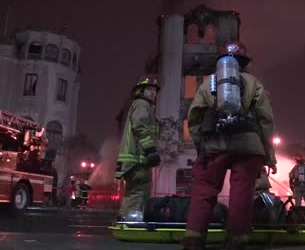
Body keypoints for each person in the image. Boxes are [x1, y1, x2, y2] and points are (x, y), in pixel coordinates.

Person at [183, 40, 277, 250]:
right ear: (245, 63)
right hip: (248, 147)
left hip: (214, 145)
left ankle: (193, 240)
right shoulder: (254, 83)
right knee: (241, 194)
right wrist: (268, 154)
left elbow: (195, 116)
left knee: (204, 192)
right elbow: (266, 120)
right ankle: (236, 242)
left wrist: (202, 147)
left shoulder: (209, 83)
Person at [114, 76, 161, 221]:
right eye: (149, 89)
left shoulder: (142, 105)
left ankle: (125, 217)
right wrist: (150, 150)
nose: (153, 92)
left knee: (133, 191)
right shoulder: (142, 104)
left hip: (135, 160)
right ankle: (131, 220)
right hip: (137, 160)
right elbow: (140, 127)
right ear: (141, 91)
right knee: (139, 191)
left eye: (154, 90)